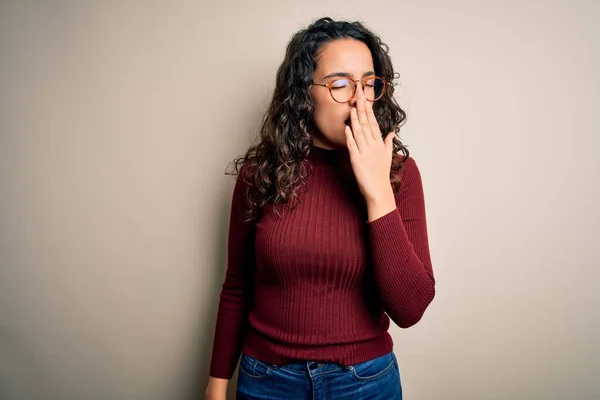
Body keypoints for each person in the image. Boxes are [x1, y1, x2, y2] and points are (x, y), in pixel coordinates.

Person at [205, 16, 435, 400]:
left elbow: (410, 309)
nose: (359, 99)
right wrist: (216, 384)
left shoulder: (399, 175)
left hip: (365, 383)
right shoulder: (260, 173)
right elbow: (236, 287)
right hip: (268, 382)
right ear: (304, 93)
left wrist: (377, 190)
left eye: (368, 83)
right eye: (340, 84)